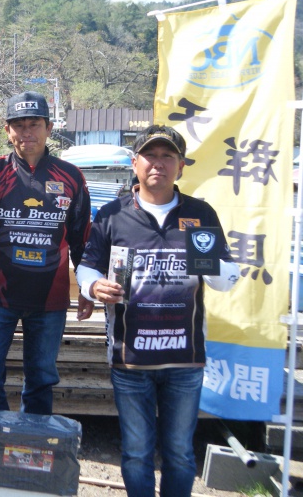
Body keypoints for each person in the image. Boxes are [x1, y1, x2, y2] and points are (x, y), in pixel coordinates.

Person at [75, 125, 240, 497]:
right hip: (130, 359)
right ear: (135, 163)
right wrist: (92, 285)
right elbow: (87, 265)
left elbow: (228, 279)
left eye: (168, 157)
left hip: (185, 360)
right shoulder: (113, 214)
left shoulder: (198, 213)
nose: (158, 164)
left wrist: (206, 263)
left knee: (180, 454)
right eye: (151, 156)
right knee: (135, 454)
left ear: (181, 165)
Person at [0, 92, 91, 415]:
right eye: (18, 126)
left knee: (40, 381)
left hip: (50, 301)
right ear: (7, 131)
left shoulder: (71, 176)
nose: (27, 133)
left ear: (49, 127)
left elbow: (82, 240)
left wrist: (88, 289)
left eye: (34, 124)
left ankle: (32, 451)